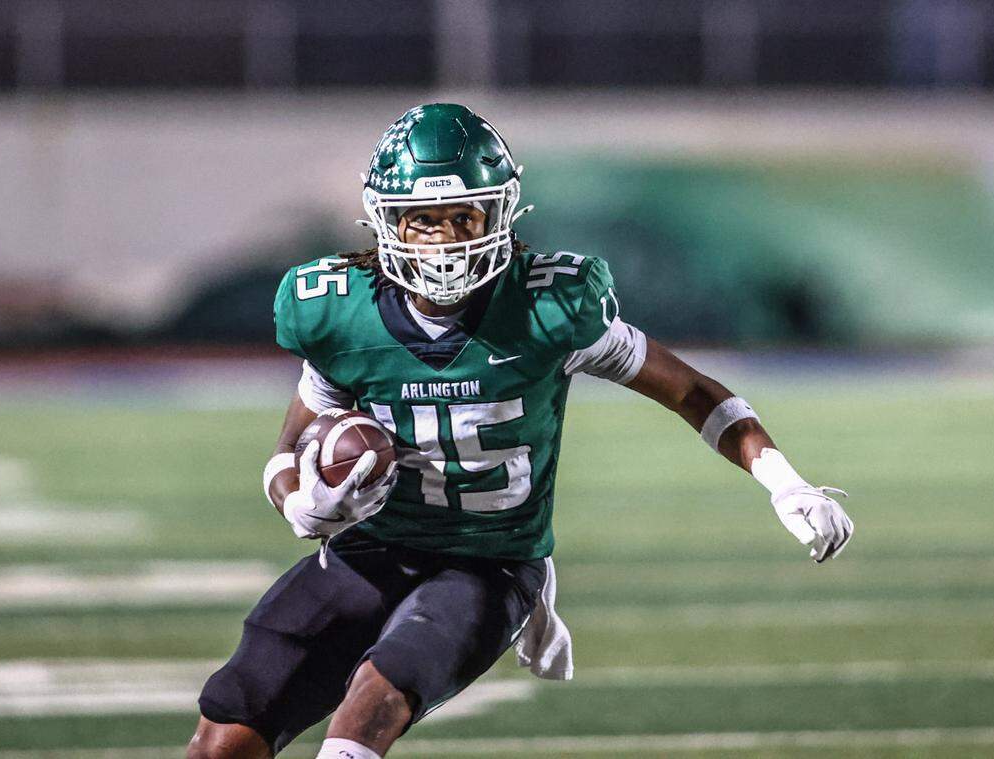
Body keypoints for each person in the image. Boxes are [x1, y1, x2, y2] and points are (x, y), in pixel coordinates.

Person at [187, 103, 854, 759]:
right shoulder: (336, 311)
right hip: (374, 550)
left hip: (487, 563)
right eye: (425, 220)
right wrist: (299, 500)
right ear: (389, 221)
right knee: (228, 729)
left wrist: (782, 480)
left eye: (462, 217)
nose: (445, 240)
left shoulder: (549, 306)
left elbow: (692, 389)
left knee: (367, 709)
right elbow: (289, 450)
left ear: (499, 214)